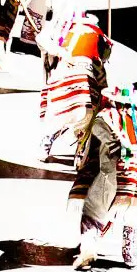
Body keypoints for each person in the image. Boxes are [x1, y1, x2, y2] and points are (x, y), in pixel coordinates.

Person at [69, 84, 137, 270]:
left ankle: (88, 251)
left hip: (111, 175)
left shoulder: (105, 117)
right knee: (132, 216)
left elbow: (94, 138)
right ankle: (130, 256)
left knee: (91, 214)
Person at [38, 13, 112, 162]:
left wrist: (58, 52)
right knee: (87, 112)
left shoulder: (67, 28)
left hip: (70, 75)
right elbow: (105, 57)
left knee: (65, 111)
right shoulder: (95, 33)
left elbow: (41, 39)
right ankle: (79, 145)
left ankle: (55, 142)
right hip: (81, 75)